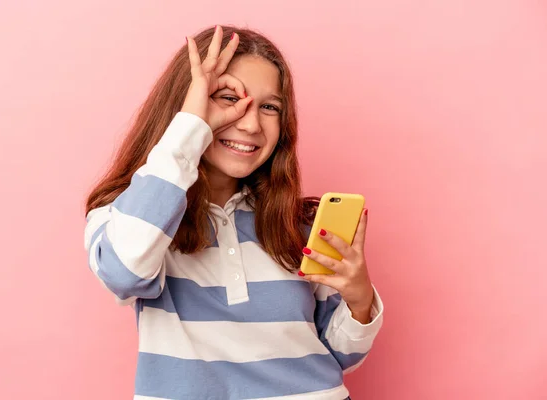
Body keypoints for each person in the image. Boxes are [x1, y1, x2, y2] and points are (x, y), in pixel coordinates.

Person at [84, 25, 384, 400]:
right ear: (186, 108)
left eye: (270, 107)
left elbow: (340, 357)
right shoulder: (126, 216)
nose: (251, 123)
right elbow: (124, 274)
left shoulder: (299, 225)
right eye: (228, 99)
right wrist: (190, 130)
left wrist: (359, 300)